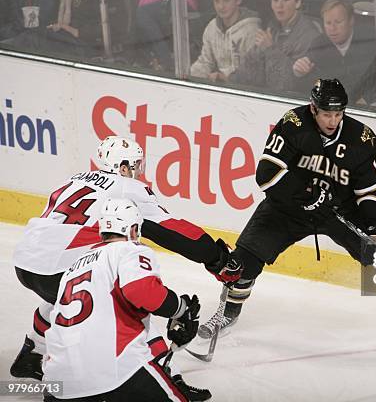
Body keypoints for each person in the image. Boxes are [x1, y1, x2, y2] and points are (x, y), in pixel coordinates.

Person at [199, 78, 376, 339]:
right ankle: (228, 311)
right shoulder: (293, 124)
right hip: (289, 208)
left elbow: (371, 188)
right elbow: (267, 173)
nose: (332, 121)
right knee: (245, 259)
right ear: (313, 109)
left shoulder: (361, 138)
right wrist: (304, 193)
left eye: (338, 114)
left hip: (339, 211)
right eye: (326, 114)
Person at [10, 136, 240, 391]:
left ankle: (32, 353)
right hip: (56, 267)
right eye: (134, 165)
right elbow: (171, 229)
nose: (136, 172)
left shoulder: (74, 178)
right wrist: (216, 258)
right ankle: (170, 378)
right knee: (131, 305)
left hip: (25, 261)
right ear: (121, 167)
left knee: (65, 290)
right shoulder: (126, 189)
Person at [43, 197, 209, 401]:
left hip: (56, 383)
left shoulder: (73, 267)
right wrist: (181, 309)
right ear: (132, 230)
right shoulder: (129, 250)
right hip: (113, 371)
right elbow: (143, 292)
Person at [229, 0, 320, 93]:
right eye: (275, 0)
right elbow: (251, 66)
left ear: (297, 3)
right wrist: (229, 81)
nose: (279, 5)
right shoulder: (272, 27)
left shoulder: (309, 35)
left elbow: (287, 84)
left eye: (285, 0)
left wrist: (270, 49)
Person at [291, 0, 376, 99]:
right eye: (328, 23)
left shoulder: (370, 42)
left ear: (351, 21)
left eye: (338, 22)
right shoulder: (319, 44)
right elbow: (305, 86)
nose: (332, 28)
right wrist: (299, 72)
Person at [190, 0, 261, 82]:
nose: (221, 6)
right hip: (219, 88)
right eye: (217, 1)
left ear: (238, 0)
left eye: (226, 0)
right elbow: (205, 62)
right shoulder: (211, 27)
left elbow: (253, 73)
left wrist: (226, 79)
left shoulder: (251, 30)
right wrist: (189, 76)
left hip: (243, 91)